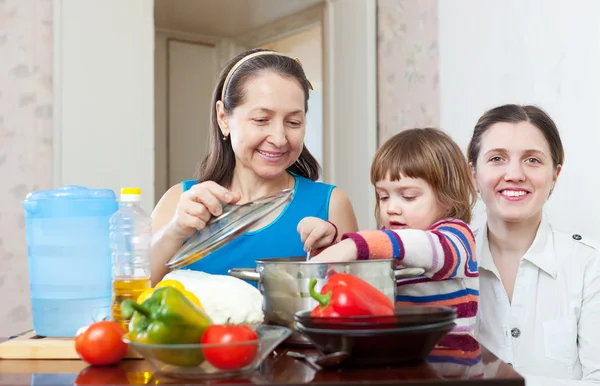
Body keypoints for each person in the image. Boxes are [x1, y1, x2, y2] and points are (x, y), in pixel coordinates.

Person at [150, 48, 358, 285]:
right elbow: (129, 297)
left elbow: (352, 303)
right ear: (223, 118)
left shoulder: (332, 205)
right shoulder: (179, 201)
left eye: (293, 122)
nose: (279, 138)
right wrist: (176, 231)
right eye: (261, 120)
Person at [467, 104, 600, 385]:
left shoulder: (590, 265)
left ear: (555, 174)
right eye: (497, 158)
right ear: (473, 174)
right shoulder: (447, 263)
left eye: (532, 160)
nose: (514, 174)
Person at [302, 128, 479, 333]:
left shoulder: (457, 237)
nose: (391, 208)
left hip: (452, 359)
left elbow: (422, 246)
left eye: (409, 196)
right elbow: (348, 280)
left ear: (447, 199)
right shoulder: (387, 243)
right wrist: (327, 245)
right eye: (383, 196)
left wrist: (356, 245)